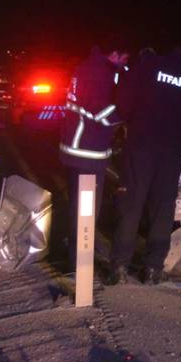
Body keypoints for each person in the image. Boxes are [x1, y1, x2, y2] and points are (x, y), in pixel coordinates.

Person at [111, 46, 181, 284]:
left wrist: (135, 121)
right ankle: (152, 269)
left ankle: (119, 266)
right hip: (171, 150)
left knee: (131, 203)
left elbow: (122, 103)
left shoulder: (147, 66)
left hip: (141, 145)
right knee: (163, 208)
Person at [59, 40, 129, 273]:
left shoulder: (87, 66)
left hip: (77, 147)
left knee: (78, 209)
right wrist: (129, 112)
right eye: (124, 59)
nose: (125, 65)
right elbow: (102, 113)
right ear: (116, 53)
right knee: (86, 212)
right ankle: (79, 269)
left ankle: (75, 262)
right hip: (88, 150)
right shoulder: (100, 73)